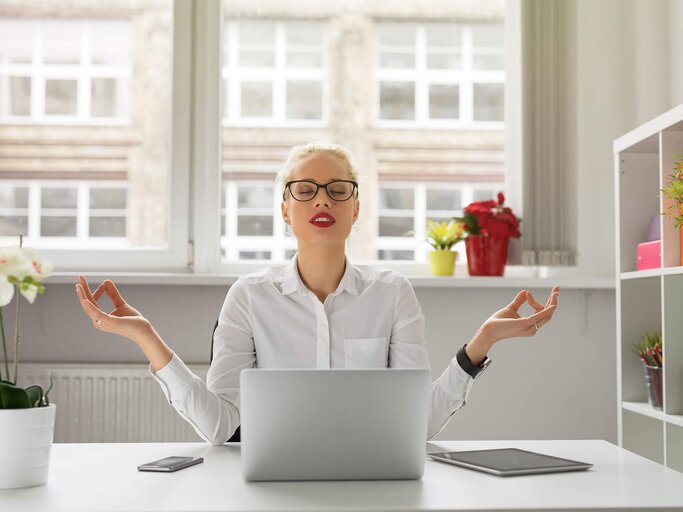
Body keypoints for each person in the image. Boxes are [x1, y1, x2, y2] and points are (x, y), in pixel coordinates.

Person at [75, 141, 559, 446]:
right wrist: (147, 339)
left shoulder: (393, 294)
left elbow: (417, 426)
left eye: (337, 190)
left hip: (376, 486)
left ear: (356, 210)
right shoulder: (248, 297)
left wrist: (481, 345)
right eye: (304, 190)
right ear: (285, 211)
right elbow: (221, 428)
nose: (322, 199)